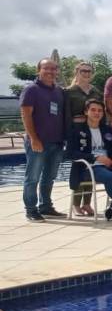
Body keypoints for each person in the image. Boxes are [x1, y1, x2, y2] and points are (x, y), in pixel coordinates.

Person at [20, 58, 66, 222]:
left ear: (57, 71)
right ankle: (31, 210)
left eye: (53, 69)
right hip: (38, 141)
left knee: (49, 177)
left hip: (57, 142)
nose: (50, 72)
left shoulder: (59, 91)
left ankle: (46, 206)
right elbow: (26, 115)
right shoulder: (31, 89)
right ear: (39, 70)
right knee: (32, 177)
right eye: (46, 68)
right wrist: (34, 139)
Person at [63, 62, 103, 217]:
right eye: (83, 71)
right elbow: (66, 114)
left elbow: (101, 111)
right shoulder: (69, 92)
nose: (86, 73)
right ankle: (75, 204)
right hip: (76, 131)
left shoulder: (95, 91)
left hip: (93, 130)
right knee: (79, 166)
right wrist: (68, 133)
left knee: (91, 165)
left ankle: (87, 203)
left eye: (89, 71)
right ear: (77, 72)